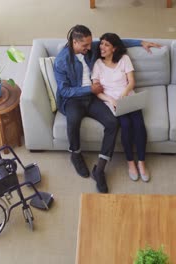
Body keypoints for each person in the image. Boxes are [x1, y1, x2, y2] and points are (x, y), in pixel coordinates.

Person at [54, 25, 159, 193]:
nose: (91, 48)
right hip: (73, 99)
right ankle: (75, 154)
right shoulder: (61, 61)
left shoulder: (91, 47)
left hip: (93, 97)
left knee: (112, 123)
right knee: (73, 120)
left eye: (90, 44)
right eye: (85, 46)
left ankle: (100, 170)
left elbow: (117, 42)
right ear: (75, 42)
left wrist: (140, 42)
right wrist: (89, 89)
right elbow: (64, 90)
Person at [91, 33, 150, 182]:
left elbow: (131, 82)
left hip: (128, 97)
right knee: (126, 125)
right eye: (102, 43)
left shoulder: (124, 59)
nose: (102, 47)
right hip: (113, 102)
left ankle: (141, 162)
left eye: (106, 45)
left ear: (114, 48)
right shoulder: (97, 64)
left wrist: (124, 94)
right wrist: (111, 100)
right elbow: (97, 92)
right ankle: (130, 163)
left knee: (139, 125)